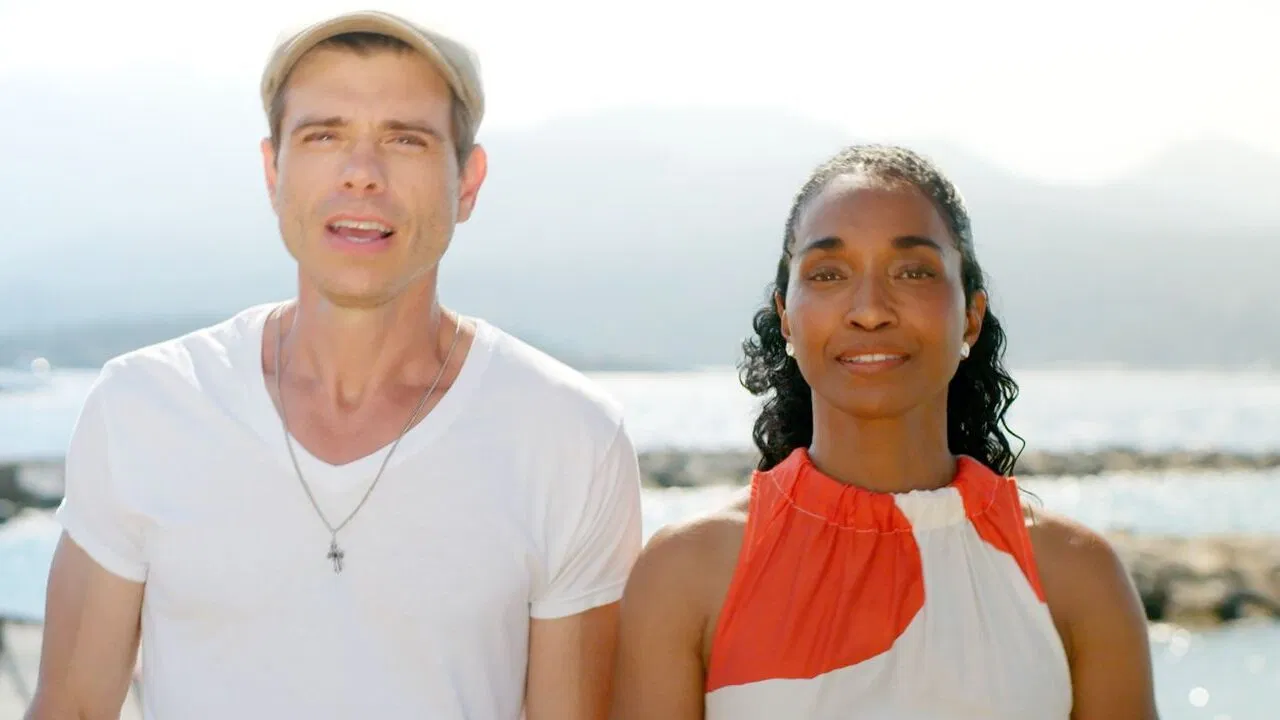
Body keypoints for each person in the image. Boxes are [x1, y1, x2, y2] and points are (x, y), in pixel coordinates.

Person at [27, 10, 642, 720]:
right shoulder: (145, 405)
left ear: (467, 182)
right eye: (325, 136)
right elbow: (71, 708)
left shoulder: (569, 437)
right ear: (273, 172)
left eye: (405, 140)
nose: (362, 175)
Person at [610, 145, 1159, 719]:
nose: (870, 310)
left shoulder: (1078, 577)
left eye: (913, 272)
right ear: (786, 317)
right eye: (828, 274)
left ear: (971, 316)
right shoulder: (686, 574)